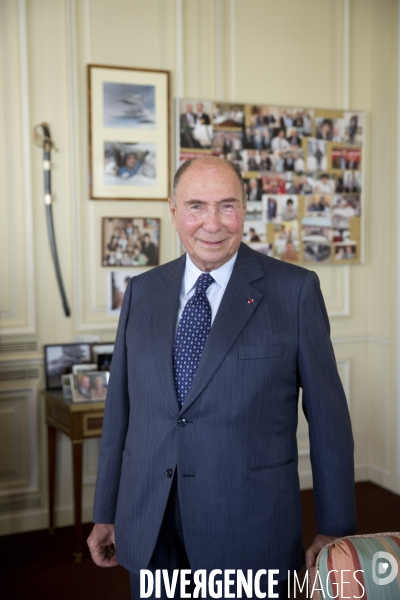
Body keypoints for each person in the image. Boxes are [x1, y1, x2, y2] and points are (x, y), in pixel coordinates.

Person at [88, 156, 356, 600]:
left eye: (226, 206)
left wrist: (337, 530)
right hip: (150, 522)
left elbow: (330, 423)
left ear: (245, 208)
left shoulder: (295, 291)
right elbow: (121, 411)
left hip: (248, 529)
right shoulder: (141, 290)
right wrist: (107, 510)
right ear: (173, 211)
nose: (211, 223)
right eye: (195, 206)